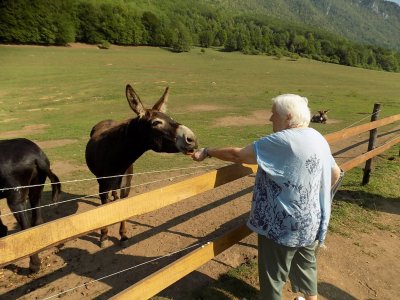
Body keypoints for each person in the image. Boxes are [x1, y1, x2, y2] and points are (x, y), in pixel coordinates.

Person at [191, 94, 342, 300]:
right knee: (307, 267)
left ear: (287, 116)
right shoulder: (317, 136)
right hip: (311, 220)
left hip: (282, 223)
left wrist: (207, 151)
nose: (270, 119)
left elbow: (238, 155)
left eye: (274, 114)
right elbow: (334, 173)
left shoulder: (281, 141)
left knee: (273, 277)